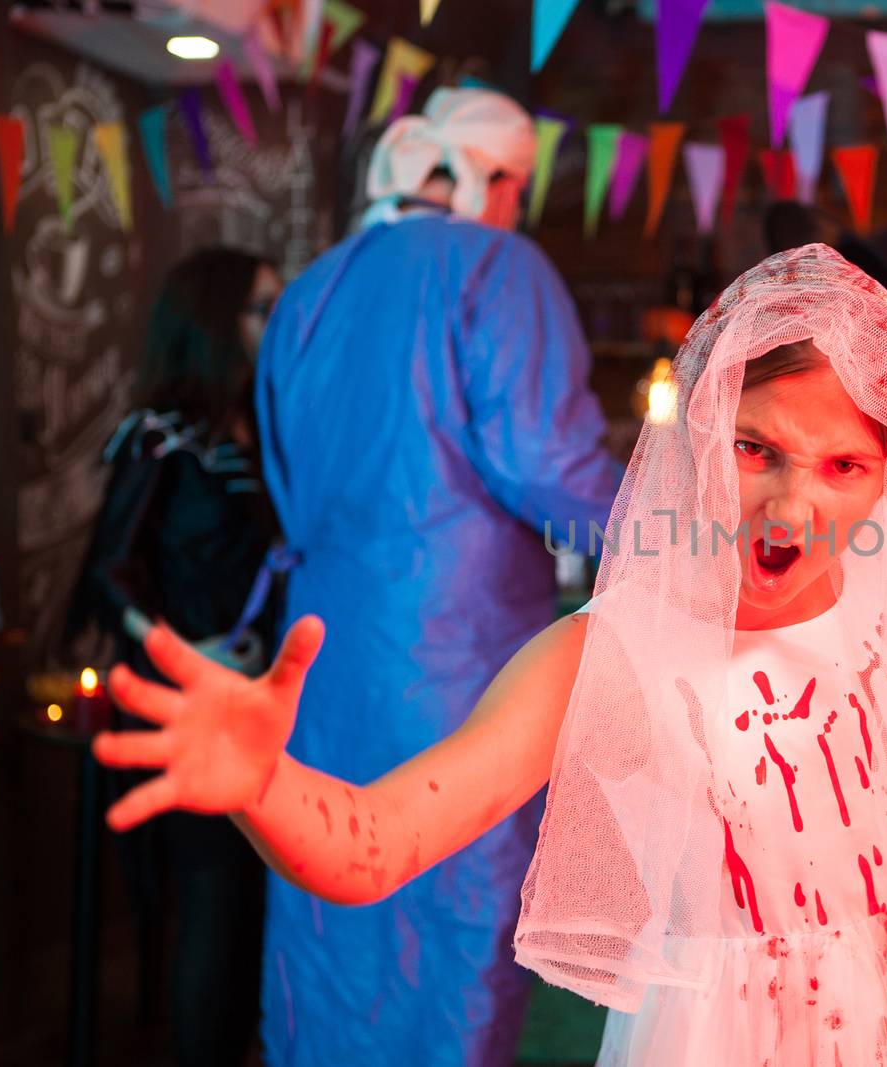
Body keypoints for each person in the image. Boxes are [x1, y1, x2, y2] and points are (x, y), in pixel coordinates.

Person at [93, 117, 887, 1064]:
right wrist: (260, 782)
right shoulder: (614, 653)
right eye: (755, 448)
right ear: (697, 439)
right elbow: (377, 849)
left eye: (839, 463)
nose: (791, 499)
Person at [251, 87, 621, 1065]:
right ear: (496, 179)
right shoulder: (495, 267)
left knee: (326, 902)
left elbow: (283, 476)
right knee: (452, 907)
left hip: (319, 657)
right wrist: (683, 532)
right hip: (455, 658)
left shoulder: (310, 288)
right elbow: (549, 465)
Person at [65, 247, 283, 1066]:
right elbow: (107, 572)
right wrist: (179, 647)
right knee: (212, 898)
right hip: (185, 706)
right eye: (259, 307)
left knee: (251, 899)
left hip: (261, 705)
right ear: (213, 319)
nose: (274, 322)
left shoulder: (262, 431)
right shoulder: (158, 439)